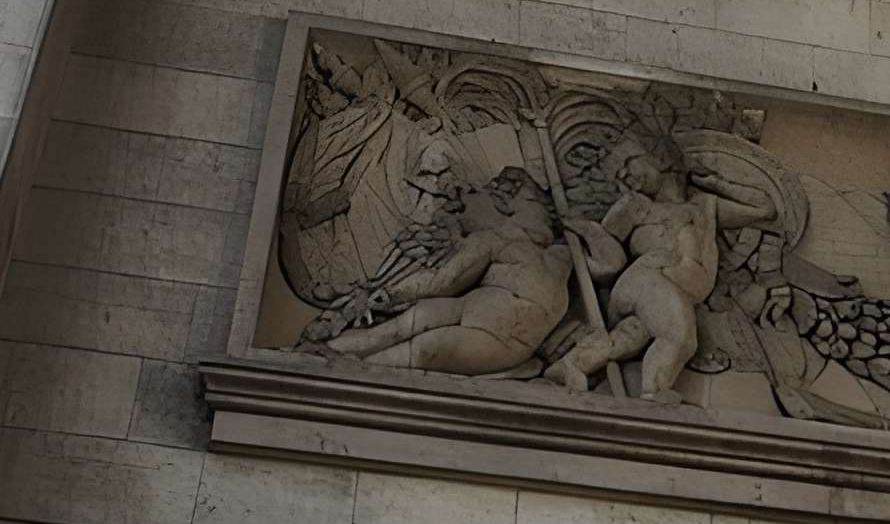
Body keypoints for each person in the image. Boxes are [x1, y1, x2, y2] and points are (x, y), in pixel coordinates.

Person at [315, 166, 572, 376]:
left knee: (425, 348)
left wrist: (390, 293)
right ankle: (330, 352)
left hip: (499, 337)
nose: (457, 214)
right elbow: (445, 282)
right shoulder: (560, 254)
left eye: (463, 207)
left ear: (502, 204)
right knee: (417, 318)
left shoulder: (502, 240)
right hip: (472, 310)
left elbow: (443, 281)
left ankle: (348, 368)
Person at [548, 138, 754, 398]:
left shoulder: (704, 206)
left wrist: (718, 184)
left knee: (627, 340)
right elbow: (610, 259)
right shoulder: (636, 205)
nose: (623, 176)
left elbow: (764, 209)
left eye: (626, 164)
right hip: (647, 280)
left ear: (660, 159)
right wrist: (588, 231)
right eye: (617, 173)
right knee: (680, 338)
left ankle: (571, 365)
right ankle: (653, 394)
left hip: (669, 295)